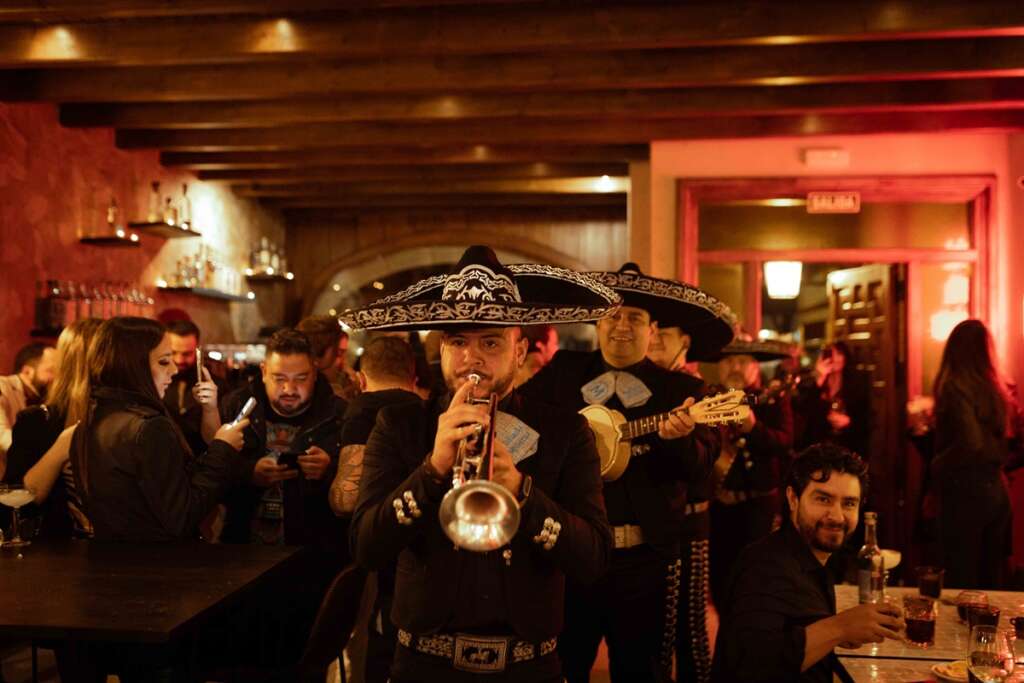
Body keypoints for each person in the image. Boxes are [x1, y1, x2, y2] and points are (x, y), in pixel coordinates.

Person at [346, 245, 616, 683]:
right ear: (442, 350)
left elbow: (595, 560)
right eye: (458, 342)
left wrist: (523, 495)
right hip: (422, 665)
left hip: (529, 667)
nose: (472, 358)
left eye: (490, 342)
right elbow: (365, 547)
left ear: (520, 349)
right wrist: (431, 470)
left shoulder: (565, 431)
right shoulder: (399, 425)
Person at [521, 263, 734, 683]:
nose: (621, 326)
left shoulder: (683, 393)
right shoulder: (563, 372)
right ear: (596, 324)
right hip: (574, 553)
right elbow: (522, 425)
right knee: (563, 666)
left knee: (641, 672)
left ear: (653, 330)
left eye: (634, 318)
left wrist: (679, 438)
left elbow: (701, 470)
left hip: (644, 563)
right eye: (612, 315)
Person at [711, 443, 904, 683]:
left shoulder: (810, 559)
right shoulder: (766, 568)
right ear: (793, 498)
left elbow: (784, 632)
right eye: (823, 499)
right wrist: (839, 627)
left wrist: (833, 633)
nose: (836, 516)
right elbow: (752, 667)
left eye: (849, 503)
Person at [218, 327, 348, 664]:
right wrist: (248, 473)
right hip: (242, 557)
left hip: (312, 558)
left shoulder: (339, 413)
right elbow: (205, 477)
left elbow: (357, 490)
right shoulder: (237, 407)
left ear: (315, 374)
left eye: (300, 378)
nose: (289, 389)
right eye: (279, 378)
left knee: (303, 657)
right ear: (263, 372)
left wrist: (330, 471)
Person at [69, 317, 250, 542]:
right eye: (164, 361)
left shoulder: (91, 419)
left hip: (110, 562)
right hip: (157, 566)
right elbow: (183, 516)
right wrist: (222, 449)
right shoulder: (149, 427)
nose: (174, 369)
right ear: (134, 366)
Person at [327, 335, 423, 683]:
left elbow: (346, 500)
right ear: (413, 378)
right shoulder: (425, 412)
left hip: (377, 553)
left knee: (374, 645)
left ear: (363, 379)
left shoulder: (364, 409)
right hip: (418, 552)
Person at [930, 319, 1019, 588]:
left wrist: (937, 463)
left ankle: (961, 632)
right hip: (996, 489)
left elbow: (971, 442)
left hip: (964, 491)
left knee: (961, 577)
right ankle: (986, 631)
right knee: (991, 580)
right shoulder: (996, 387)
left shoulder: (955, 387)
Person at [706, 338, 795, 606]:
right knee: (720, 584)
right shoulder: (708, 400)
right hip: (716, 508)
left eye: (742, 361)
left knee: (756, 582)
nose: (735, 366)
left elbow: (785, 441)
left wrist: (754, 429)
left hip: (757, 508)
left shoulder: (772, 399)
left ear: (755, 367)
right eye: (729, 361)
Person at [3, 318, 103, 538]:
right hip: (58, 556)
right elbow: (12, 507)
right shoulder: (38, 421)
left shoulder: (136, 420)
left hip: (127, 554)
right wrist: (61, 448)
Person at [795, 341, 871, 458]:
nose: (834, 359)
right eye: (830, 354)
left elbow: (867, 420)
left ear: (845, 358)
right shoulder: (813, 382)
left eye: (839, 354)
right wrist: (820, 378)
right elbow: (804, 410)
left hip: (847, 449)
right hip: (818, 450)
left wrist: (849, 422)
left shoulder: (857, 384)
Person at [162, 319, 224, 456]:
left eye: (186, 354)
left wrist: (210, 409)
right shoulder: (156, 382)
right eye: (173, 352)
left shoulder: (216, 386)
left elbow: (218, 442)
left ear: (198, 349)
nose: (179, 360)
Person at [0, 342, 57, 476]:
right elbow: (1, 436)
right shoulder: (3, 386)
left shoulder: (45, 398)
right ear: (27, 371)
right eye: (51, 371)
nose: (56, 378)